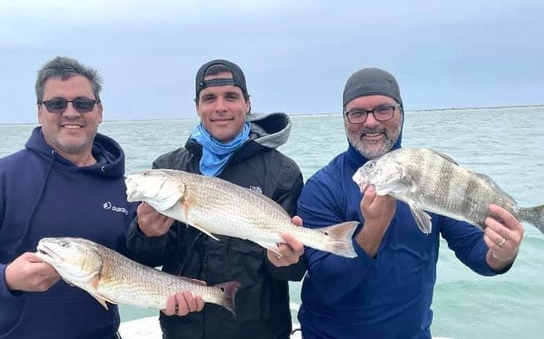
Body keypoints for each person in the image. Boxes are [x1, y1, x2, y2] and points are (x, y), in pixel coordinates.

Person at [296, 67, 525, 339]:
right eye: (357, 113)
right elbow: (328, 283)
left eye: (384, 109)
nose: (370, 122)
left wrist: (501, 254)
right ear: (344, 119)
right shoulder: (322, 188)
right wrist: (373, 229)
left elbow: (473, 249)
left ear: (402, 113)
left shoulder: (429, 175)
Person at [126, 59, 306, 339]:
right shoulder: (169, 168)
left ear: (247, 103)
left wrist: (288, 260)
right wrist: (146, 234)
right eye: (209, 98)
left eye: (231, 97)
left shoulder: (283, 172)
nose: (220, 107)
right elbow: (147, 261)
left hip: (260, 330)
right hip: (184, 326)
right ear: (197, 106)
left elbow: (293, 272)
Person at [0, 56, 140, 339]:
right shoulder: (5, 176)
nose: (71, 112)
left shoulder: (128, 190)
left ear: (99, 110)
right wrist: (7, 279)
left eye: (83, 103)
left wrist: (154, 238)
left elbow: (137, 268)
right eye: (57, 104)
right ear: (40, 111)